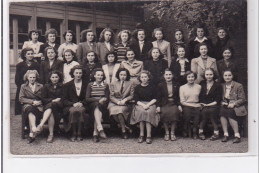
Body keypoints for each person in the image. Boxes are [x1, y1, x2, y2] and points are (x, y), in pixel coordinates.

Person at [130, 70, 159, 144]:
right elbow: (136, 99)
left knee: (148, 112)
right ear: (140, 78)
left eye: (145, 77)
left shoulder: (153, 87)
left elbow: (155, 98)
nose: (144, 78)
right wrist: (143, 105)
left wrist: (148, 105)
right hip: (140, 104)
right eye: (142, 77)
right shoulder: (137, 87)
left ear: (148, 77)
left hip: (150, 104)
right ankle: (141, 134)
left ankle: (149, 135)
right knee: (142, 111)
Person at [62, 65, 88, 142]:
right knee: (74, 111)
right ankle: (73, 132)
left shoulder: (87, 84)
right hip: (70, 106)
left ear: (82, 74)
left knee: (79, 111)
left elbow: (88, 97)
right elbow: (64, 99)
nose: (78, 75)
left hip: (82, 105)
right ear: (73, 74)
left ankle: (78, 133)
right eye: (76, 73)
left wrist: (82, 103)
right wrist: (73, 104)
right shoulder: (67, 85)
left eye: (80, 73)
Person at [220, 70, 246, 143]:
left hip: (236, 106)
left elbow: (242, 99)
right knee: (222, 112)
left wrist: (234, 104)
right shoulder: (222, 85)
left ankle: (237, 135)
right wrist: (222, 102)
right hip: (225, 105)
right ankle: (226, 134)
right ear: (223, 77)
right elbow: (219, 98)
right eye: (225, 75)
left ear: (232, 76)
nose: (227, 77)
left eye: (229, 75)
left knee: (230, 112)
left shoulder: (238, 85)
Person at [108, 68, 134, 139]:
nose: (123, 76)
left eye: (124, 75)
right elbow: (111, 96)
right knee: (113, 111)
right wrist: (118, 102)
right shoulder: (113, 83)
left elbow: (132, 95)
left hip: (125, 103)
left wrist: (125, 100)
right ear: (118, 75)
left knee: (120, 112)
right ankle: (125, 127)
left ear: (127, 75)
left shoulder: (130, 83)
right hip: (114, 102)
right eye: (121, 75)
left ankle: (123, 130)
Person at [37, 71, 63, 143]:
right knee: (50, 111)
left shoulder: (63, 86)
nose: (55, 79)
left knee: (51, 107)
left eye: (56, 77)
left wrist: (59, 99)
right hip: (48, 106)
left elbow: (64, 97)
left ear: (59, 78)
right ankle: (51, 134)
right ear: (50, 78)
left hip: (59, 107)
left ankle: (41, 125)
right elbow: (43, 98)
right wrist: (53, 100)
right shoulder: (46, 86)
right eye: (53, 77)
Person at [156, 69, 182, 141]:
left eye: (170, 74)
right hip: (164, 103)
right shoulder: (160, 85)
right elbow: (158, 97)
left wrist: (179, 105)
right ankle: (167, 132)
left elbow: (178, 97)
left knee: (175, 112)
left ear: (172, 75)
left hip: (174, 103)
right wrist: (158, 106)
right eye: (166, 75)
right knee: (164, 113)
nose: (168, 76)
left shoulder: (177, 84)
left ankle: (172, 132)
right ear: (164, 76)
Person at [85, 68, 110, 143]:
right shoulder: (90, 85)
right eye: (98, 75)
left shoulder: (105, 85)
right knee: (96, 105)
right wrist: (98, 100)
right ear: (94, 76)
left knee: (98, 108)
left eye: (101, 75)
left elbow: (107, 97)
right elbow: (87, 98)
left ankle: (95, 133)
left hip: (102, 105)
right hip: (92, 105)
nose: (100, 76)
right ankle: (99, 128)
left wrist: (103, 100)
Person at [19, 70, 43, 143]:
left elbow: (44, 97)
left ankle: (32, 132)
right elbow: (21, 98)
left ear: (36, 78)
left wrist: (40, 102)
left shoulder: (41, 86)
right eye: (30, 77)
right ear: (27, 77)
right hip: (28, 105)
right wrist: (32, 102)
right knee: (29, 109)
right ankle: (33, 129)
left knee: (31, 111)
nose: (32, 79)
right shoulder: (23, 86)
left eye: (34, 77)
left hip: (38, 106)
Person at [198, 68, 222, 141]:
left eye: (210, 74)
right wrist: (202, 103)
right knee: (204, 112)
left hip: (214, 104)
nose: (209, 76)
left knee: (211, 111)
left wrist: (208, 105)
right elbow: (199, 96)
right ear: (204, 75)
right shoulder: (202, 83)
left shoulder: (218, 85)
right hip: (203, 104)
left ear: (213, 75)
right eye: (207, 74)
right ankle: (201, 132)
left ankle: (216, 133)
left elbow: (217, 100)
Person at [15, 48, 40, 115]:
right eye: (28, 54)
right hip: (23, 87)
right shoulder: (19, 65)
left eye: (32, 54)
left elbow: (38, 77)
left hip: (33, 87)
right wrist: (24, 86)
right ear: (24, 55)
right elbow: (17, 79)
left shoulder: (37, 65)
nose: (30, 55)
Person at [179, 71, 201, 139]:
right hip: (186, 105)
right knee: (187, 114)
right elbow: (182, 101)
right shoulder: (182, 87)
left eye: (192, 77)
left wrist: (198, 105)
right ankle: (185, 130)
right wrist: (193, 105)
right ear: (186, 78)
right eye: (189, 77)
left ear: (195, 78)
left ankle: (195, 131)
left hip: (196, 104)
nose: (191, 78)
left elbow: (201, 98)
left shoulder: (199, 87)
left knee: (198, 114)